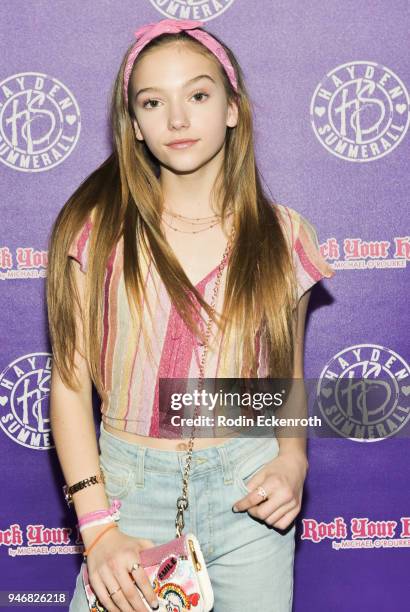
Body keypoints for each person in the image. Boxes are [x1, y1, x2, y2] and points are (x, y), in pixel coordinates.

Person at [47, 18, 335, 612]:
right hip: (127, 492)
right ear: (134, 125)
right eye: (153, 102)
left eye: (198, 95)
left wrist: (292, 459)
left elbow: (284, 380)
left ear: (233, 108)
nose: (177, 119)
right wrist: (97, 527)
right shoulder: (94, 233)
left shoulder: (285, 235)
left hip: (247, 494)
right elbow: (71, 387)